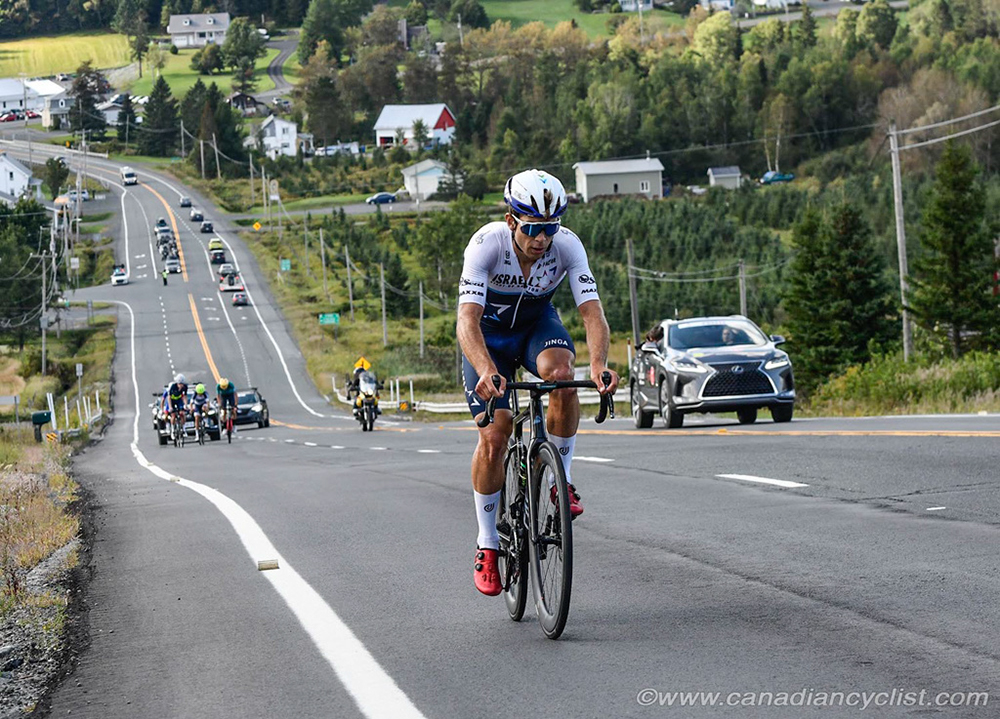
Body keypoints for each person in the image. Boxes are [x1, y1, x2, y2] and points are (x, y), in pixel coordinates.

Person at [457, 168, 619, 596]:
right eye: (533, 229)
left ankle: (559, 482)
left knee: (563, 376)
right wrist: (486, 368)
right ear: (511, 220)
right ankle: (488, 543)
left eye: (550, 228)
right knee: (496, 433)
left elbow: (591, 312)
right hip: (488, 338)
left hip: (534, 328)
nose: (542, 239)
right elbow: (467, 320)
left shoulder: (567, 246)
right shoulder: (485, 245)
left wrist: (599, 364)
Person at [162, 373, 188, 438]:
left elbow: (184, 396)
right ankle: (172, 430)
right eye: (179, 384)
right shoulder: (173, 387)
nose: (180, 386)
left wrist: (185, 405)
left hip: (179, 401)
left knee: (182, 414)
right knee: (173, 415)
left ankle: (184, 429)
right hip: (172, 401)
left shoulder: (185, 387)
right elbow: (169, 397)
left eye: (182, 384)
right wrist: (170, 407)